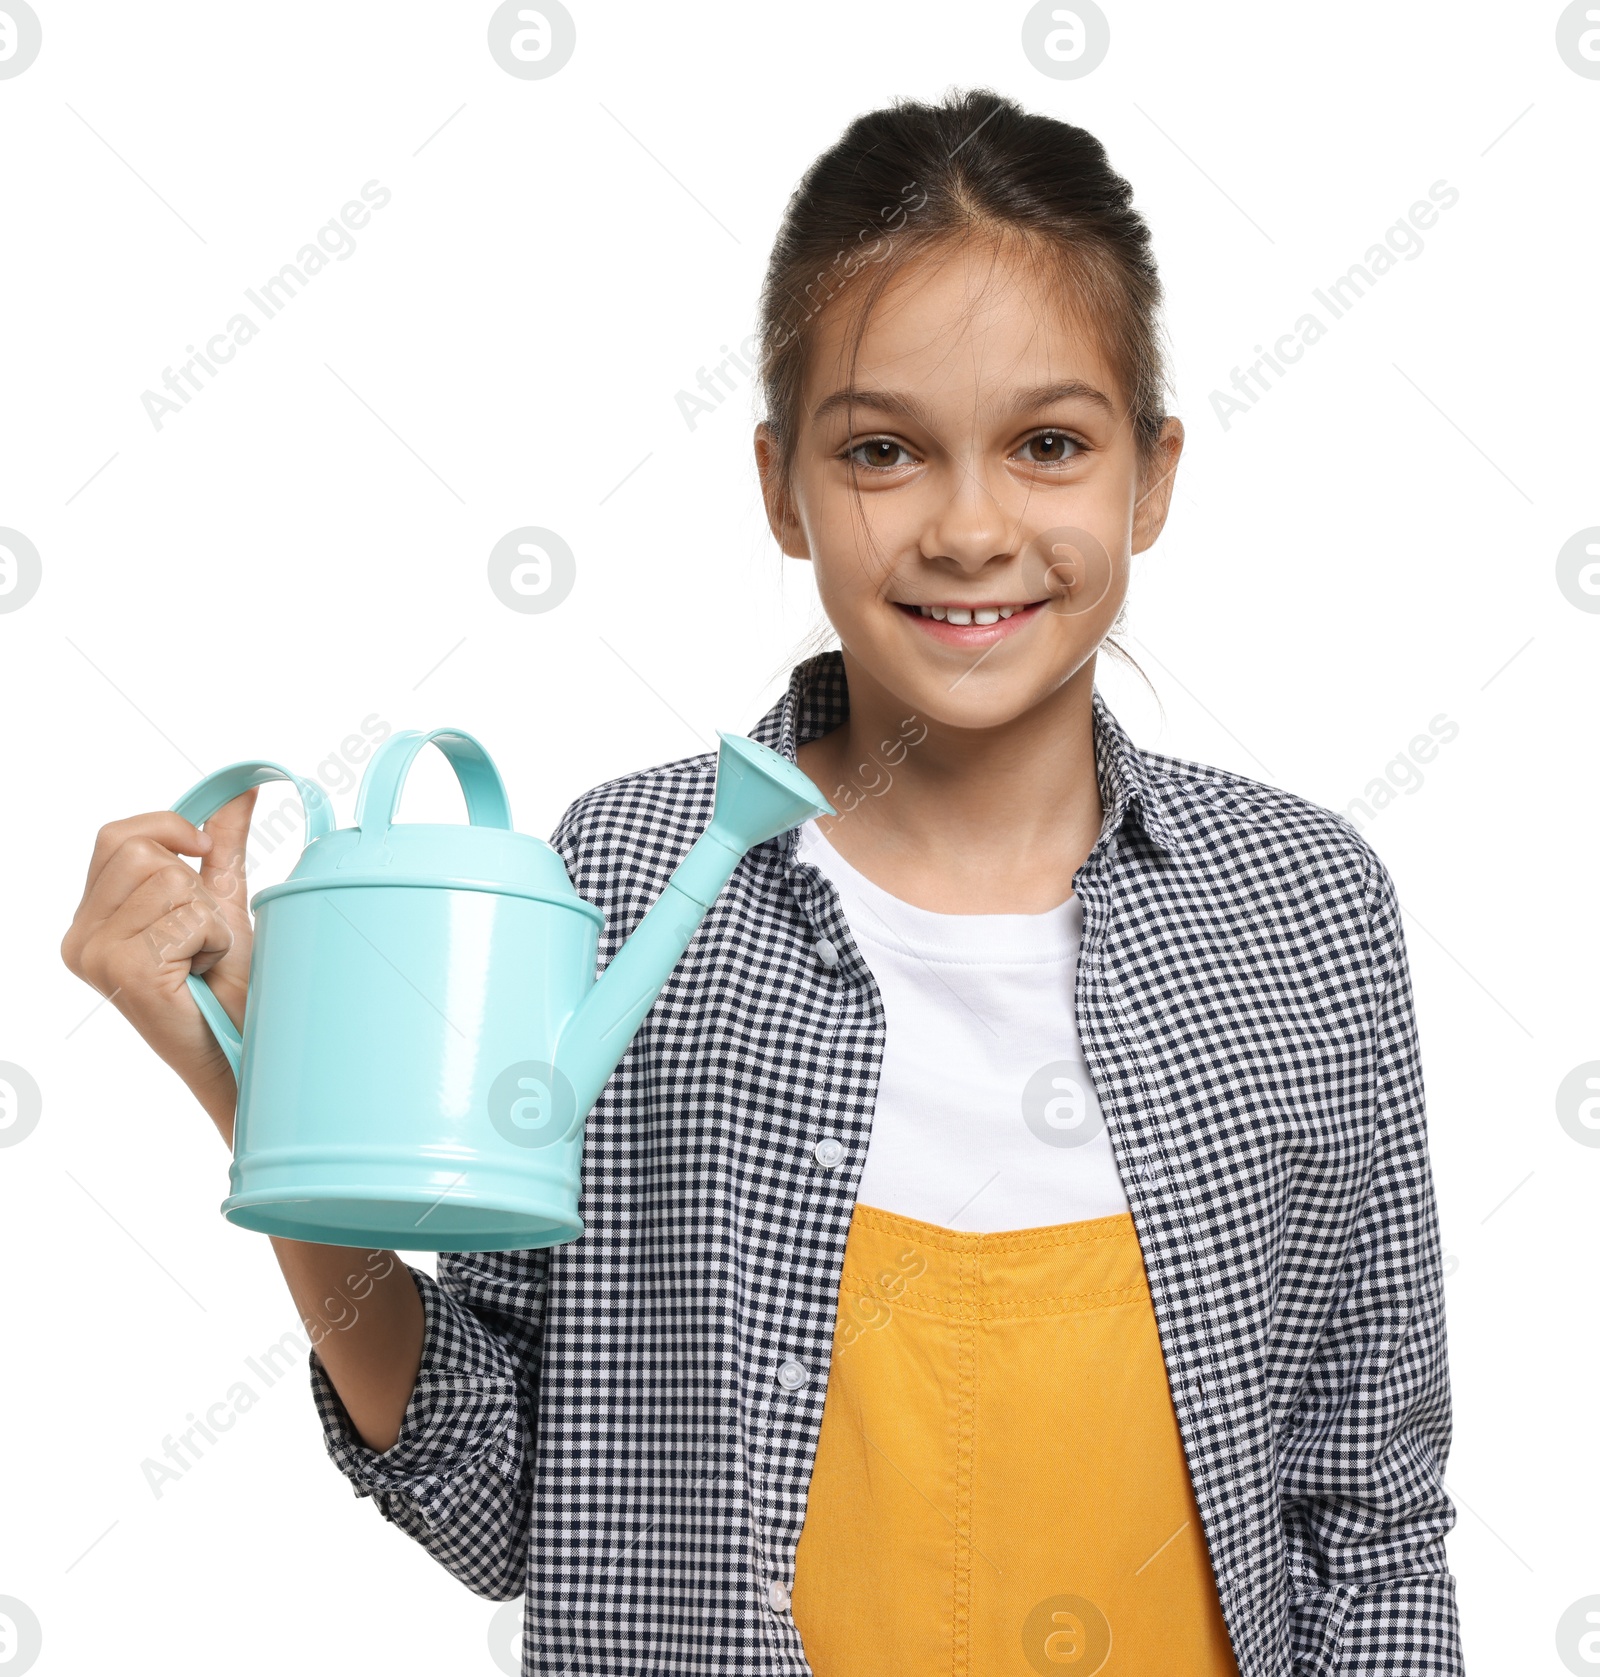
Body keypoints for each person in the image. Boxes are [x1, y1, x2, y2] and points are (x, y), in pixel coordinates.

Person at [59, 86, 1463, 1676]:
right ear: (781, 486)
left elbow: (1370, 1522)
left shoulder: (1305, 909)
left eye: (1050, 444)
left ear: (1151, 477)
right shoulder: (617, 881)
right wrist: (268, 1097)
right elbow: (501, 1495)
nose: (971, 523)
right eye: (884, 450)